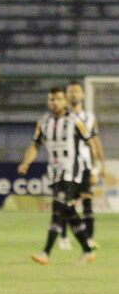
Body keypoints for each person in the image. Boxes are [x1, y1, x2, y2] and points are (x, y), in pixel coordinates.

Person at [17, 87, 96, 265]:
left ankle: (45, 253)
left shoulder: (75, 120)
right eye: (51, 99)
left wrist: (93, 170)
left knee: (58, 208)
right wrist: (26, 162)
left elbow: (90, 143)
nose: (54, 102)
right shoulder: (43, 122)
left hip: (71, 172)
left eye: (58, 99)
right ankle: (87, 250)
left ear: (65, 102)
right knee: (69, 211)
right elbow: (35, 145)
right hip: (54, 172)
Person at [66, 81, 105, 248]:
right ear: (66, 96)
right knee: (67, 204)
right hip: (68, 166)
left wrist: (98, 167)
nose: (73, 94)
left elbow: (95, 142)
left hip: (86, 165)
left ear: (82, 95)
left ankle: (88, 238)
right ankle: (63, 236)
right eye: (70, 92)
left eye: (76, 91)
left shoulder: (90, 118)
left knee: (87, 202)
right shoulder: (62, 117)